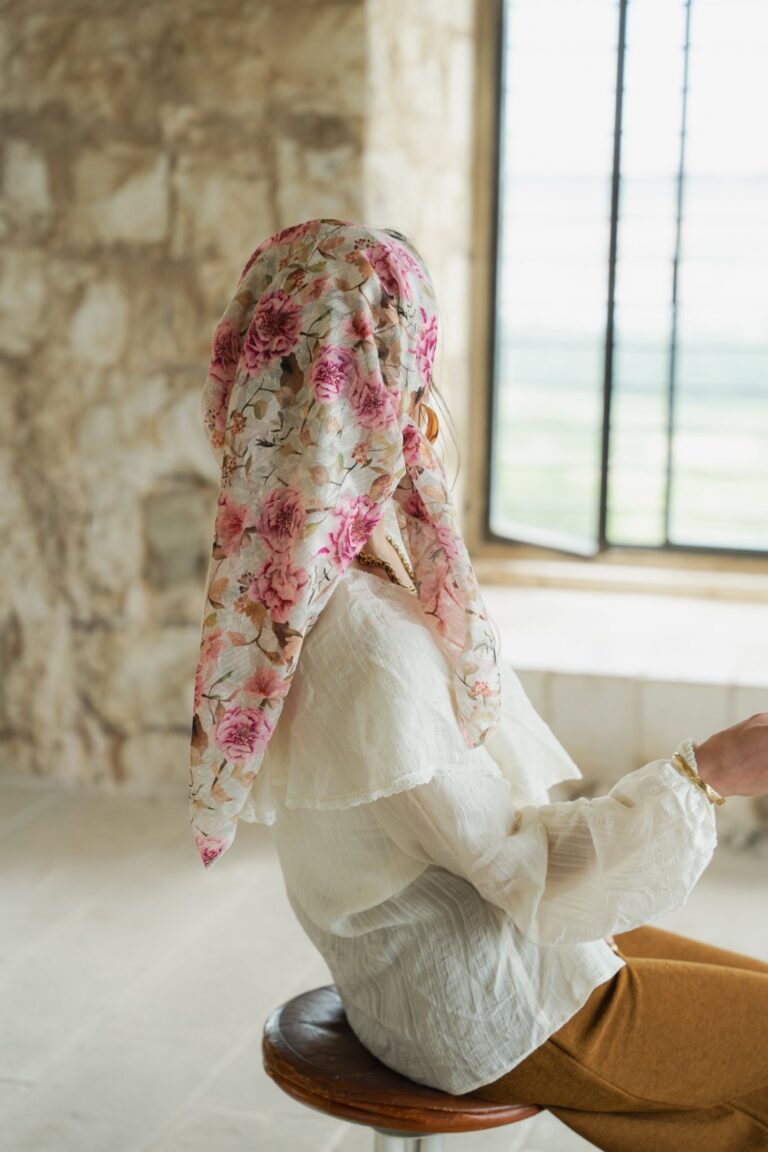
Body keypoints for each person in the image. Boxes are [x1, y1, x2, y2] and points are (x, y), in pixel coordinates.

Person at [189, 218, 768, 1152]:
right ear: (385, 403)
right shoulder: (369, 641)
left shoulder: (292, 589)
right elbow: (522, 875)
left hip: (451, 963)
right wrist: (710, 772)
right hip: (484, 1008)